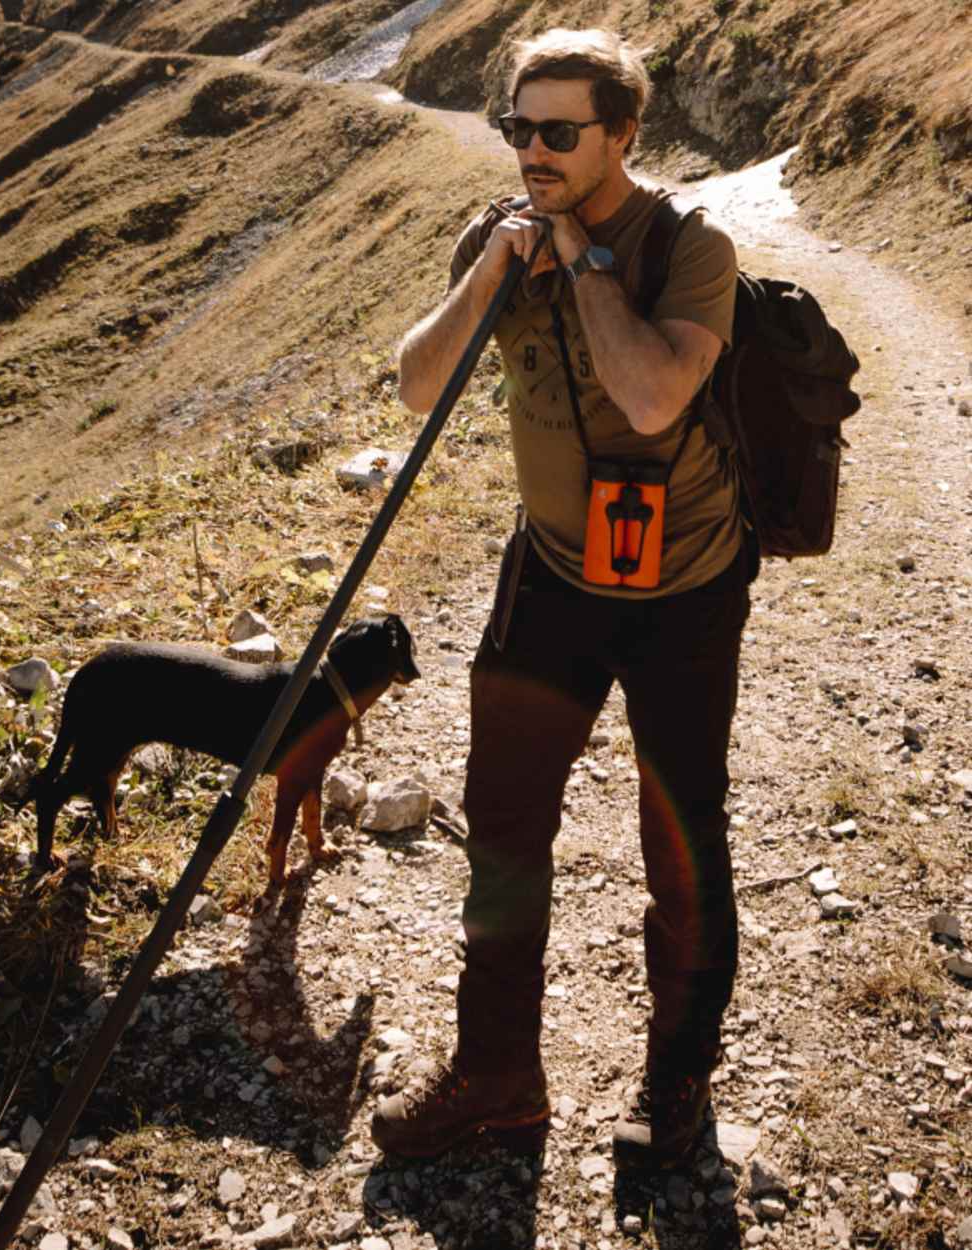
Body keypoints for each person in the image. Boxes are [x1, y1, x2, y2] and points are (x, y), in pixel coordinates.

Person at [371, 26, 749, 1169]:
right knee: (503, 830)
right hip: (549, 568)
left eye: (557, 131)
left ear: (621, 133)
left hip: (682, 583)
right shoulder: (496, 236)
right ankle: (498, 1075)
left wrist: (582, 255)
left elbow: (648, 399)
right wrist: (494, 265)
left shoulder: (689, 248)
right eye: (516, 127)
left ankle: (674, 1085)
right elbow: (414, 385)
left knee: (681, 840)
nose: (529, 150)